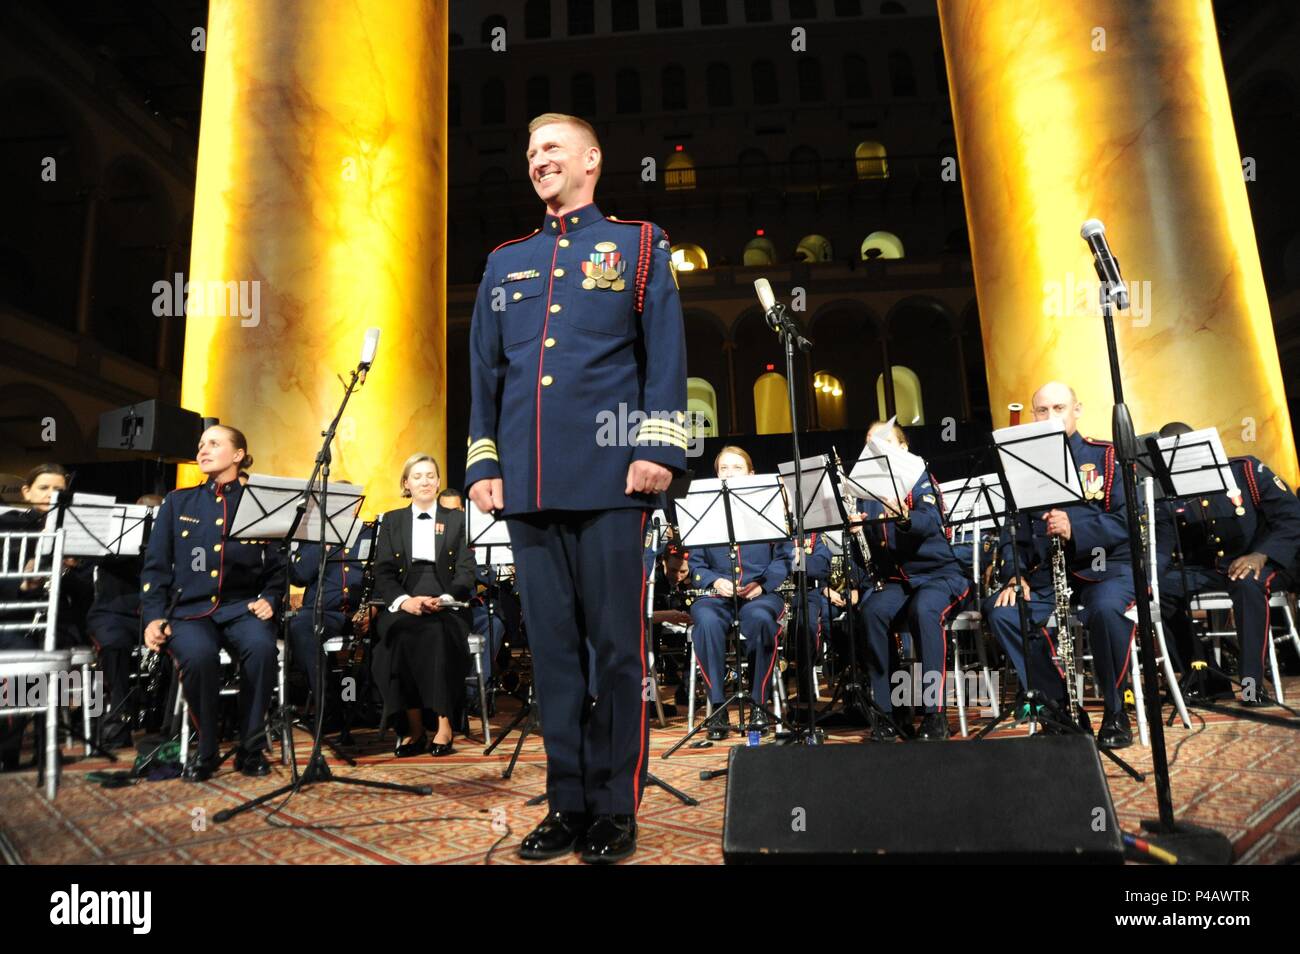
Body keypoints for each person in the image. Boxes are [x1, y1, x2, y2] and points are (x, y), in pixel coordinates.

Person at [466, 112, 687, 863]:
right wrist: (483, 463)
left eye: (551, 148)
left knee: (616, 653)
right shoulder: (506, 261)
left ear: (592, 158)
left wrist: (657, 447)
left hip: (611, 481)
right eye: (530, 151)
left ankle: (614, 808)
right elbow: (486, 375)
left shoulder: (639, 245)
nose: (538, 160)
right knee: (554, 657)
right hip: (527, 486)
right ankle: (566, 804)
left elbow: (664, 356)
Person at [983, 382, 1137, 748]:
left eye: (1059, 408)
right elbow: (1014, 531)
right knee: (1004, 612)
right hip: (1050, 574)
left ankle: (1116, 712)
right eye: (1042, 410)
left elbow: (1127, 520)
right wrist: (1015, 575)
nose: (1049, 417)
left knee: (1104, 610)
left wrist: (1075, 528)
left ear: (1077, 410)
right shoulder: (1024, 463)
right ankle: (1060, 706)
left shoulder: (1106, 456)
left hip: (1106, 569)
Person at [141, 426, 285, 780]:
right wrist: (153, 617)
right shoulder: (178, 502)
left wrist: (269, 599)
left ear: (238, 455)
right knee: (200, 656)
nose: (203, 449)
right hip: (190, 611)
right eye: (201, 443)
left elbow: (278, 569)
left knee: (263, 649)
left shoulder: (259, 505)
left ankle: (250, 748)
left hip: (241, 608)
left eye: (215, 444)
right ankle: (206, 749)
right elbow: (155, 567)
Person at [1155, 422, 1300, 705]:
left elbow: (1292, 517)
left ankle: (1251, 684)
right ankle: (1206, 676)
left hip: (1263, 560)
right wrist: (1149, 578)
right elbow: (1163, 543)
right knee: (1158, 592)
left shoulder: (1245, 471)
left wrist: (1262, 554)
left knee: (1247, 582)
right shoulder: (1168, 493)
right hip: (1209, 569)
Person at [856, 421, 970, 741]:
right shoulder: (864, 490)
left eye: (884, 440)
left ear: (903, 448)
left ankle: (934, 713)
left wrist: (901, 515)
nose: (876, 448)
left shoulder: (919, 475)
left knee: (923, 610)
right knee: (873, 612)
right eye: (870, 443)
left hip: (939, 574)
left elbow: (929, 520)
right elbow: (866, 554)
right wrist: (855, 533)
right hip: (897, 581)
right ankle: (891, 711)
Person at [370, 454, 475, 757]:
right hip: (405, 597)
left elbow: (467, 571)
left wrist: (443, 599)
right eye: (417, 476)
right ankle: (414, 728)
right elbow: (384, 572)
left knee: (436, 634)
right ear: (406, 484)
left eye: (431, 475)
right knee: (397, 635)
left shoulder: (458, 519)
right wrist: (405, 602)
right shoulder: (392, 520)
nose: (425, 481)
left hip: (447, 599)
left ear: (439, 481)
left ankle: (444, 726)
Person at [688, 446, 792, 741]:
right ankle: (718, 706)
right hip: (716, 596)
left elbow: (784, 558)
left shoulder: (770, 507)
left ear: (751, 474)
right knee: (705, 622)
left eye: (737, 467)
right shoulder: (704, 510)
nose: (730, 473)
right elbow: (696, 563)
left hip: (760, 593)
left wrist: (763, 585)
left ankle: (760, 704)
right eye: (724, 468)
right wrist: (714, 582)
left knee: (761, 620)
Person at [1, 464, 71, 770]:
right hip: (13, 618)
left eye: (58, 490)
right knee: (21, 654)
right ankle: (9, 748)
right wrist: (24, 583)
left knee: (64, 647)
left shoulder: (74, 526)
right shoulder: (10, 525)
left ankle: (50, 744)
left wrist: (72, 567)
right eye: (43, 488)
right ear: (27, 492)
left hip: (61, 618)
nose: (51, 495)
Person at [84, 493, 164, 750]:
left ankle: (161, 721)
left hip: (154, 614)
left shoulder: (171, 541)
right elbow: (98, 558)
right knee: (113, 644)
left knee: (182, 641)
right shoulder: (113, 538)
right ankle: (115, 723)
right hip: (113, 614)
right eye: (147, 513)